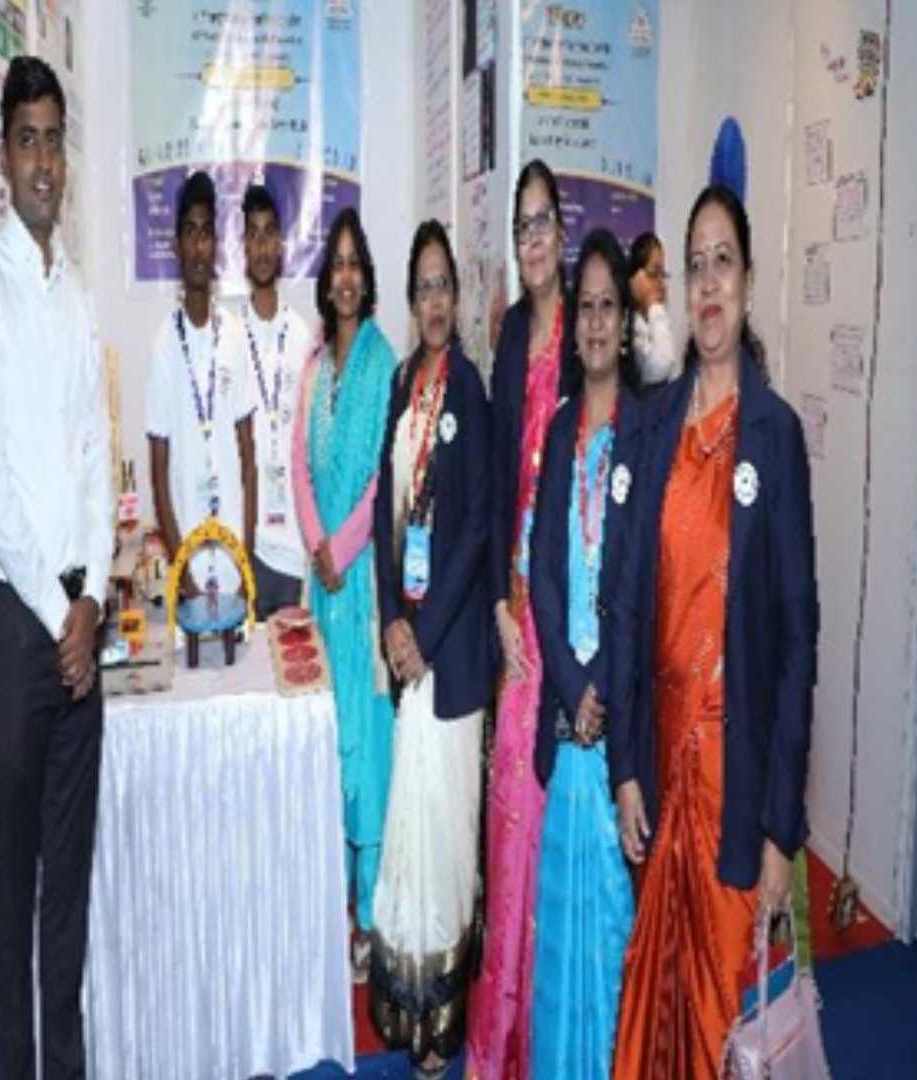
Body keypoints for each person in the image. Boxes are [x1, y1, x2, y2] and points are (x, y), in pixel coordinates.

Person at [608, 185, 819, 1079]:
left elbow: (798, 648)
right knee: (652, 1012)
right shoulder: (653, 427)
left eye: (722, 260)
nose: (706, 282)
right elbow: (625, 609)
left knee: (715, 1027)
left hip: (735, 795)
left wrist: (780, 832)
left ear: (749, 281)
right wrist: (624, 767)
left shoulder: (776, 436)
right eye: (693, 264)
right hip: (661, 781)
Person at [0, 55, 113, 1080]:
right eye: (28, 141)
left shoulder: (77, 292)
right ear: (3, 157)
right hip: (21, 636)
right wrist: (64, 614)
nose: (44, 160)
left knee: (69, 910)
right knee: (16, 899)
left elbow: (96, 456)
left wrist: (93, 597)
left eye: (55, 139)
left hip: (76, 633)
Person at [371, 221, 493, 1080]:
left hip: (448, 661)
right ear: (411, 302)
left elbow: (478, 530)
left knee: (447, 844)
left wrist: (426, 635)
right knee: (406, 838)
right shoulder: (401, 386)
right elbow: (387, 513)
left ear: (457, 294)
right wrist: (390, 621)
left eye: (444, 283)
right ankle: (409, 1008)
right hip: (407, 648)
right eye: (423, 287)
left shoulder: (469, 390)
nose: (435, 300)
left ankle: (443, 1029)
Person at [465, 158, 576, 1080]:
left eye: (543, 223)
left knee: (558, 823)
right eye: (521, 227)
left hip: (570, 612)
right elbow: (502, 476)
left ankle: (550, 1038)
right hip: (517, 619)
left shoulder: (590, 331)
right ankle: (501, 1041)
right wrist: (501, 602)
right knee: (509, 821)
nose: (532, 240)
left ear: (563, 233)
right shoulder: (507, 339)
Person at [528, 228, 643, 1080]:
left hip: (623, 724)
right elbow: (540, 571)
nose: (598, 323)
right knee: (565, 924)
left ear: (626, 326)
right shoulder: (561, 427)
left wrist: (604, 684)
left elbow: (646, 579)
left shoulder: (649, 431)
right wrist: (572, 685)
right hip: (569, 720)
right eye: (588, 308)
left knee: (613, 928)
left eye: (610, 307)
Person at [292, 206, 397, 978]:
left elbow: (386, 475)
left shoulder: (386, 364)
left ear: (368, 278)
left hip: (363, 589)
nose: (348, 276)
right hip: (320, 586)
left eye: (358, 263)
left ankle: (369, 915)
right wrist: (315, 542)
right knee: (323, 748)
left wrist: (344, 547)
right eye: (338, 263)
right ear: (326, 280)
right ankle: (330, 911)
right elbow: (297, 465)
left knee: (367, 752)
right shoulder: (312, 364)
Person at [146, 171, 256, 603]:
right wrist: (181, 571)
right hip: (188, 568)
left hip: (233, 562)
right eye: (189, 232)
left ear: (216, 246)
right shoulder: (162, 346)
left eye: (206, 233)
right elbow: (158, 473)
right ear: (176, 245)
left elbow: (248, 460)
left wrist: (246, 559)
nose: (198, 246)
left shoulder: (234, 335)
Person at [237, 183, 314, 619]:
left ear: (282, 244)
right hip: (246, 544)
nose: (263, 245)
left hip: (293, 548)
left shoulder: (302, 335)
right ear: (244, 247)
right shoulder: (230, 335)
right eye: (254, 233)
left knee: (292, 658)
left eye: (269, 233)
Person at [629, 230, 678, 387]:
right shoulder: (630, 327)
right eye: (654, 274)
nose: (661, 284)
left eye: (663, 275)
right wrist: (652, 303)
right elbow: (661, 365)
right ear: (636, 279)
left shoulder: (653, 321)